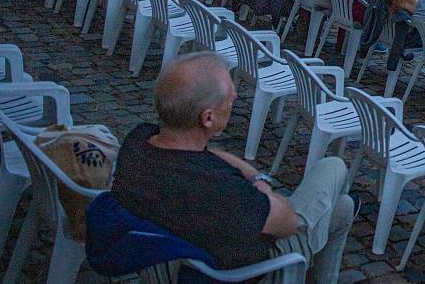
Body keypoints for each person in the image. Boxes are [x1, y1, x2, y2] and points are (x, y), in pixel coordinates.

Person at [110, 52, 354, 278]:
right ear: (208, 117)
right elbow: (288, 223)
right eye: (228, 96)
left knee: (342, 208)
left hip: (174, 256)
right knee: (333, 166)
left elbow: (204, 154)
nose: (235, 96)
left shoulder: (138, 142)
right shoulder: (224, 193)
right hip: (252, 270)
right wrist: (261, 182)